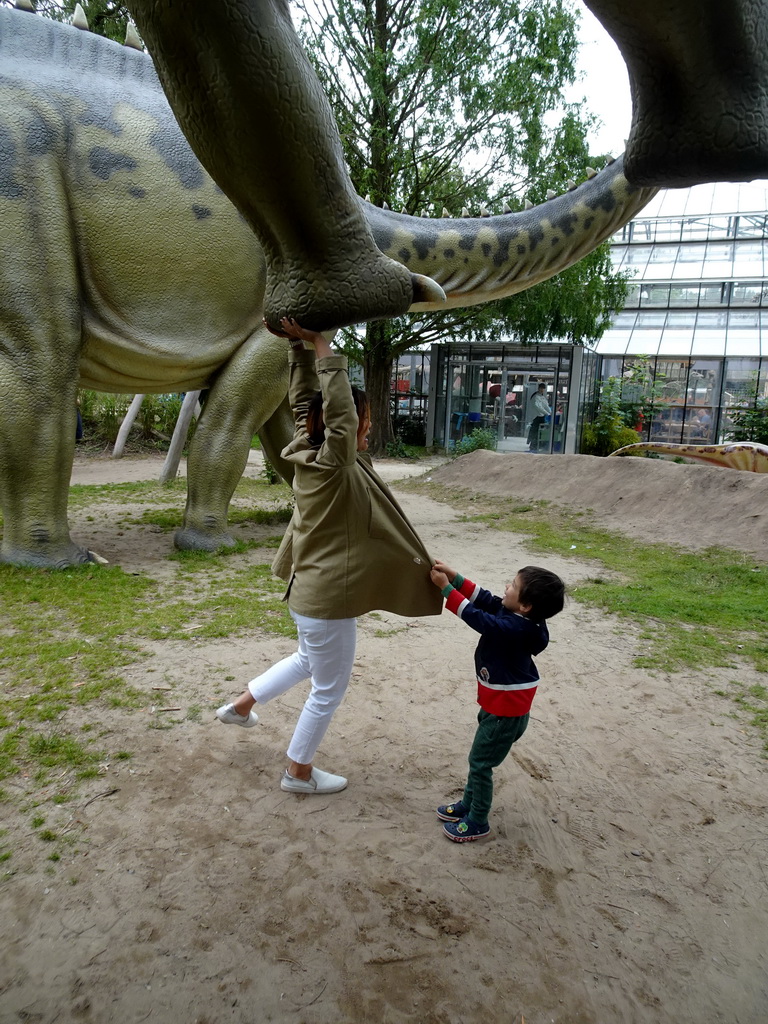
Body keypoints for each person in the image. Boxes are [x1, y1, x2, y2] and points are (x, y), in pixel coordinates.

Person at [216, 317, 441, 794]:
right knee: (328, 688)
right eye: (364, 421)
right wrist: (323, 344)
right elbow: (333, 413)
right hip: (325, 600)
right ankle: (298, 772)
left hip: (310, 595)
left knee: (307, 660)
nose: (369, 426)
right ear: (347, 426)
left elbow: (306, 403)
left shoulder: (307, 450)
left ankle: (240, 707)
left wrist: (299, 351)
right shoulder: (335, 465)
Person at [429, 559, 565, 842]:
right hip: (497, 705)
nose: (506, 587)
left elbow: (481, 619)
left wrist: (446, 590)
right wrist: (455, 577)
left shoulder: (516, 629)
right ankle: (468, 805)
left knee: (480, 763)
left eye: (513, 586)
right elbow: (488, 601)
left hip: (506, 712)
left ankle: (478, 820)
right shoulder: (520, 617)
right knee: (478, 759)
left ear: (526, 606)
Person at [526, 383, 551, 452]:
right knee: (535, 432)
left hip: (541, 416)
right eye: (541, 388)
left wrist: (550, 412)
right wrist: (547, 413)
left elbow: (546, 405)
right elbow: (538, 407)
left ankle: (537, 445)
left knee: (539, 433)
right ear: (539, 388)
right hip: (536, 417)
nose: (542, 390)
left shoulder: (542, 397)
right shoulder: (536, 397)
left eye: (543, 389)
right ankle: (533, 446)